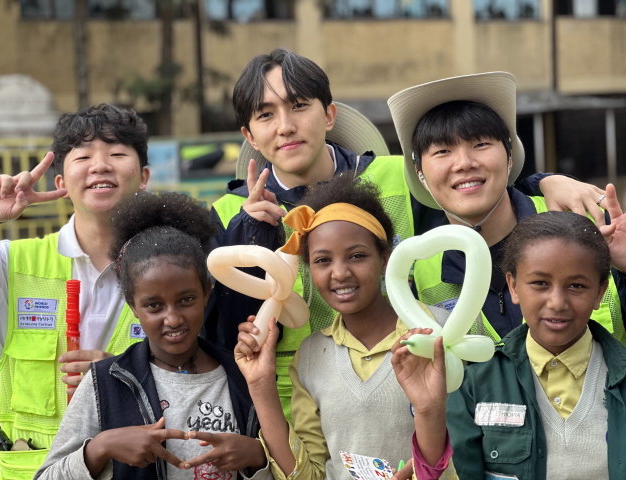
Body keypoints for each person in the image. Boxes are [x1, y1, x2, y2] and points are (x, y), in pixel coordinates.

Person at [206, 50, 602, 422]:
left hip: (407, 397)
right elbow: (226, 333)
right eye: (265, 114)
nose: (285, 125)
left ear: (328, 115)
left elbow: (473, 197)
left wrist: (544, 182)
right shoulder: (226, 214)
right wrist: (251, 231)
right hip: (293, 412)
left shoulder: (397, 177)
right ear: (250, 135)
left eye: (298, 106)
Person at [35, 191, 271, 480]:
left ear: (207, 292)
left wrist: (259, 457)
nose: (172, 318)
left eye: (186, 300)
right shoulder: (104, 382)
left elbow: (292, 466)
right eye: (154, 306)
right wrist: (101, 447)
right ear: (133, 306)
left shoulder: (242, 376)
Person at [234, 174, 454, 480]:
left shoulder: (440, 333)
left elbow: (469, 447)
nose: (339, 273)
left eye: (358, 256)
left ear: (386, 259)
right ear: (309, 268)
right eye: (323, 260)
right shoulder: (310, 356)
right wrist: (260, 387)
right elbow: (308, 474)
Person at [392, 197, 626, 479]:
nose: (557, 302)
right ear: (513, 287)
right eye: (540, 283)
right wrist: (429, 411)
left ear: (600, 292)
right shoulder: (475, 384)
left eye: (576, 285)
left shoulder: (619, 376)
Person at [387, 72, 626, 345]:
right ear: (420, 175)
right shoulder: (423, 270)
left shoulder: (586, 222)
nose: (464, 163)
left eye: (481, 145)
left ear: (509, 157)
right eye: (442, 151)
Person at [0, 104, 150, 477]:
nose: (100, 165)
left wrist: (126, 377)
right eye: (83, 155)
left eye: (117, 153)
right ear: (60, 182)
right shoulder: (8, 265)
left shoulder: (172, 269)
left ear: (143, 176)